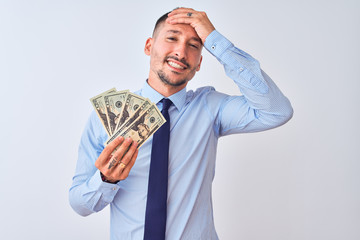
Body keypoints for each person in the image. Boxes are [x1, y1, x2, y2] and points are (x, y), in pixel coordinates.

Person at [69, 7, 293, 240]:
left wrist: (215, 40)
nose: (181, 52)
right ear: (149, 46)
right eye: (172, 38)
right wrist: (106, 179)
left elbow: (277, 111)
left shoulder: (211, 108)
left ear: (199, 63)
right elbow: (80, 205)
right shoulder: (106, 116)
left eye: (194, 45)